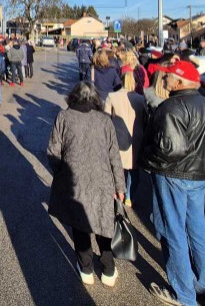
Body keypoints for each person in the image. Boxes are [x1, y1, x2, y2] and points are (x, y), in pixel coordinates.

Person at [141, 60, 205, 306]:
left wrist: (146, 155)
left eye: (169, 76)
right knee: (197, 227)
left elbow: (171, 151)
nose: (164, 79)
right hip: (202, 177)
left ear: (180, 82)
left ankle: (184, 294)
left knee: (174, 231)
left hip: (174, 176)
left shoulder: (170, 108)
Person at [47, 82, 126, 287]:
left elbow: (53, 151)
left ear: (73, 97)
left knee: (80, 224)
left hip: (75, 179)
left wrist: (61, 173)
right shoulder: (104, 120)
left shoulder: (64, 117)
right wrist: (120, 187)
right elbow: (114, 156)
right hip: (102, 180)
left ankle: (86, 268)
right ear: (95, 99)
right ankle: (108, 270)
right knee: (103, 224)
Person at [104, 65, 145, 207]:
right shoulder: (141, 99)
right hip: (136, 139)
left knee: (117, 167)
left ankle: (117, 193)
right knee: (134, 171)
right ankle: (129, 197)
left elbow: (106, 117)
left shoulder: (112, 96)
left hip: (118, 136)